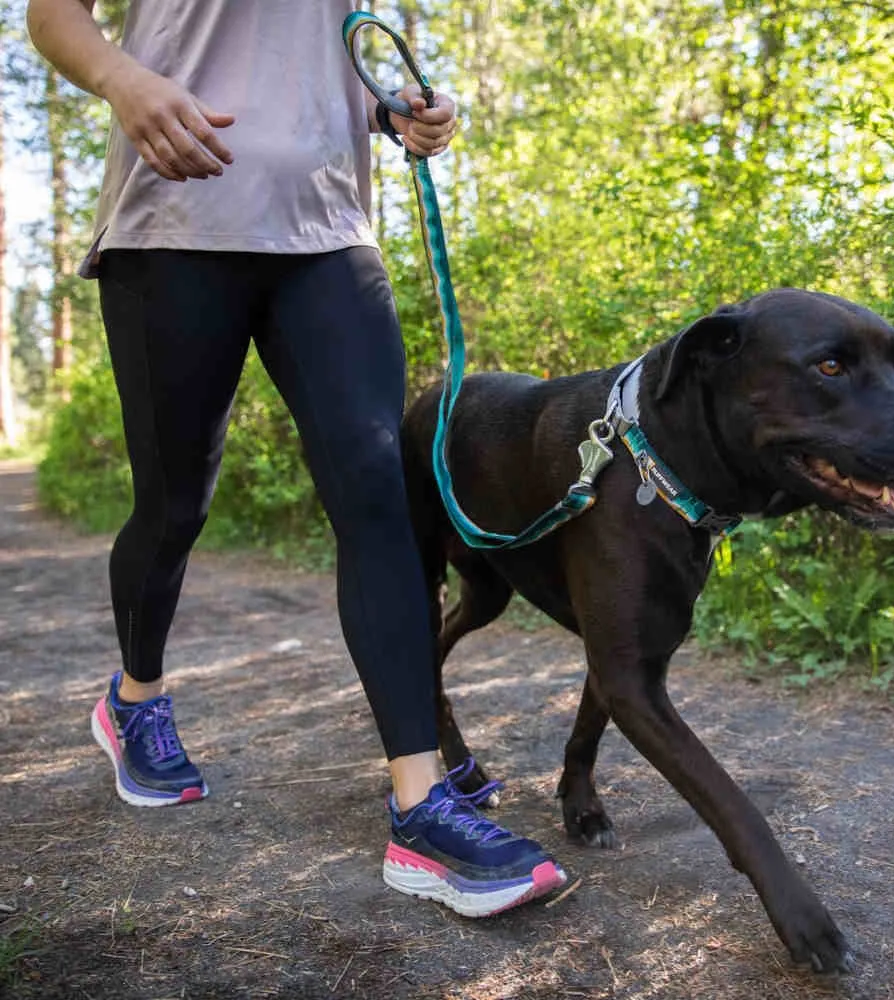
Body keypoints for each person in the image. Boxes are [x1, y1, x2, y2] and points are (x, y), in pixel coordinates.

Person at [27, 0, 566, 918]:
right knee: (176, 503)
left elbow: (308, 64)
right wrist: (125, 80)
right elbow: (50, 13)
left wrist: (391, 108)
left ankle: (421, 808)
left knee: (378, 497)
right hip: (174, 220)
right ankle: (134, 699)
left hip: (327, 234)